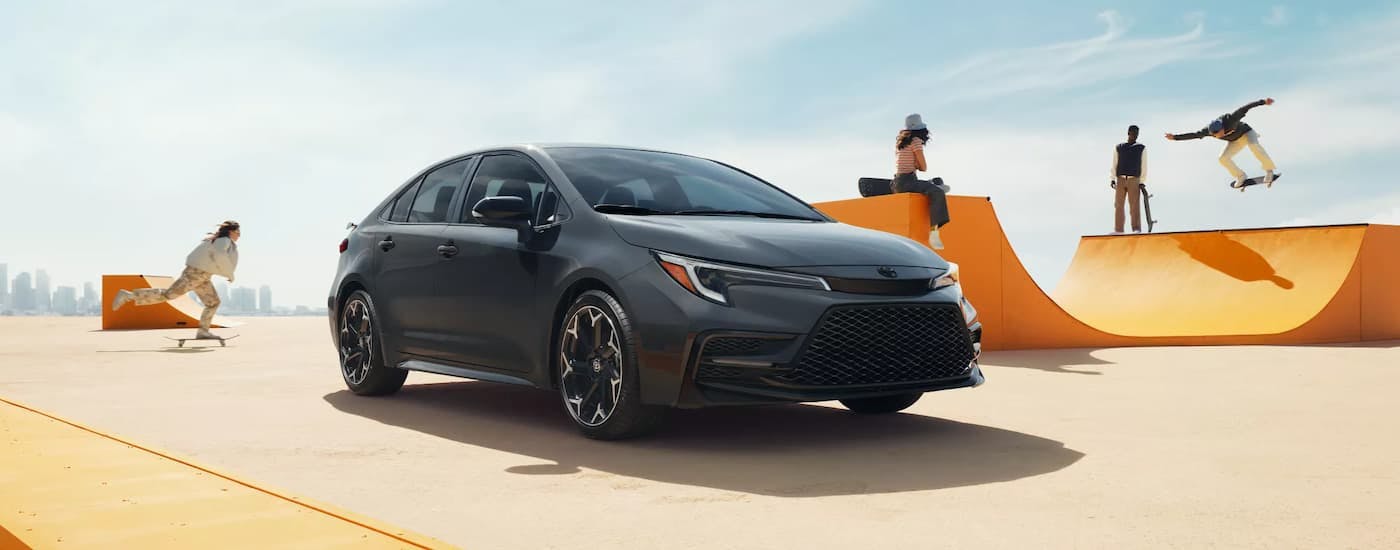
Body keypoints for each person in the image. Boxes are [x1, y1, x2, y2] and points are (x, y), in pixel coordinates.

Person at [111, 220, 240, 339]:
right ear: (230, 231)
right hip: (196, 274)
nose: (239, 235)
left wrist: (227, 273)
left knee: (213, 303)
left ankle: (203, 332)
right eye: (237, 232)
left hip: (203, 276)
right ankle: (128, 295)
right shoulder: (224, 240)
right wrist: (229, 274)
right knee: (168, 295)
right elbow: (220, 255)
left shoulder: (218, 240)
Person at [1165, 97, 1279, 188]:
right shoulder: (1208, 131)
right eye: (1214, 135)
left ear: (1222, 128)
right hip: (1235, 141)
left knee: (1254, 145)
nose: (1217, 136)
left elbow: (1245, 108)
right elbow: (1194, 135)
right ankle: (1240, 176)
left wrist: (1263, 102)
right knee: (1222, 158)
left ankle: (1269, 170)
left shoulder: (1231, 119)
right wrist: (1175, 137)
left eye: (1218, 134)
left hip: (1247, 133)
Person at [891, 113, 951, 249]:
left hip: (897, 182)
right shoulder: (916, 141)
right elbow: (923, 167)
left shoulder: (900, 143)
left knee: (928, 185)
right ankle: (934, 232)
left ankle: (935, 185)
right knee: (936, 192)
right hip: (908, 181)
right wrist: (917, 164)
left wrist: (915, 164)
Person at [1110, 124, 1147, 234]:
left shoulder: (1141, 148)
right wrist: (1112, 178)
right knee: (1118, 205)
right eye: (1133, 133)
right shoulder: (1119, 147)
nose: (1135, 135)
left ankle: (1136, 230)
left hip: (1134, 180)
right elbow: (1114, 163)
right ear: (1128, 133)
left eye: (1137, 134)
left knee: (1134, 206)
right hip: (1120, 179)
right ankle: (1118, 230)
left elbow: (1144, 165)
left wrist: (1141, 181)